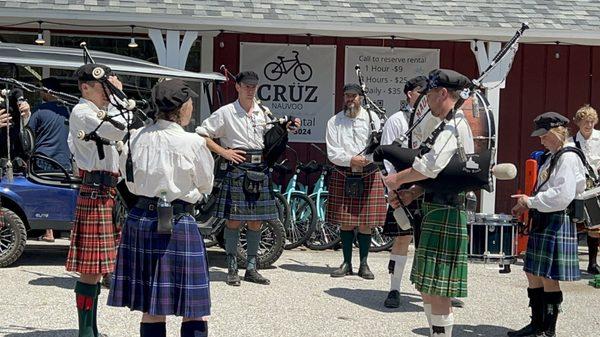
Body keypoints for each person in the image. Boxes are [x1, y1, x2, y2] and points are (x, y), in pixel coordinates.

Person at [108, 79, 213, 337]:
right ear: (182, 107)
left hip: (140, 219)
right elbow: (206, 184)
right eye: (190, 103)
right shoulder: (194, 142)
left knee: (151, 305)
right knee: (193, 307)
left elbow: (126, 177)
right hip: (178, 221)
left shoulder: (133, 137)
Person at [383, 69, 474, 337]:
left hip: (446, 210)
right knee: (427, 286)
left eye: (430, 95)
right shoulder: (445, 125)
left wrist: (397, 180)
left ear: (443, 93)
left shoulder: (453, 126)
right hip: (434, 206)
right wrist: (414, 193)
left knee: (439, 290)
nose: (427, 102)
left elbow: (431, 166)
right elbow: (440, 174)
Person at [196, 70, 299, 286]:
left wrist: (287, 126)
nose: (250, 90)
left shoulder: (263, 112)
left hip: (259, 168)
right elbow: (202, 134)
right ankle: (232, 269)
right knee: (233, 221)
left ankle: (251, 268)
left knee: (257, 221)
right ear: (238, 87)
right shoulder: (226, 113)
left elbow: (273, 132)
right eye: (246, 86)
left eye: (254, 86)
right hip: (238, 167)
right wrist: (224, 152)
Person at [65, 64, 130, 337]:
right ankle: (85, 331)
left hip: (108, 193)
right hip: (94, 192)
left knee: (101, 267)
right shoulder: (82, 112)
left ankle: (91, 326)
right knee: (91, 269)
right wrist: (118, 97)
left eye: (108, 87)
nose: (107, 92)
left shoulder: (96, 111)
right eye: (103, 88)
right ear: (85, 87)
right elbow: (118, 130)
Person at [510, 112, 586, 337]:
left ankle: (548, 330)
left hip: (556, 218)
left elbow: (562, 195)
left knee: (549, 278)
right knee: (533, 273)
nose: (541, 140)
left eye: (544, 136)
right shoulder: (554, 155)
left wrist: (531, 201)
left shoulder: (568, 157)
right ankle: (537, 324)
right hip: (545, 217)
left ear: (556, 132)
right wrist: (528, 203)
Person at [326, 83, 388, 279]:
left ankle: (364, 264)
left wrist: (367, 159)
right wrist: (350, 159)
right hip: (344, 173)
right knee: (345, 222)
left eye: (354, 95)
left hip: (368, 173)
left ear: (361, 97)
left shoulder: (372, 119)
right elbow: (332, 151)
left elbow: (379, 145)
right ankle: (346, 263)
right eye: (347, 95)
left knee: (365, 223)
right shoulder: (334, 121)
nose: (350, 99)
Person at [380, 75, 426, 308]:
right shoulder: (397, 120)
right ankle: (394, 289)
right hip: (403, 184)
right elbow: (386, 156)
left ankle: (433, 291)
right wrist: (393, 187)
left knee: (429, 240)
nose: (426, 95)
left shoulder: (434, 119)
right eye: (421, 91)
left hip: (429, 184)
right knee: (402, 238)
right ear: (410, 93)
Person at [28, 77, 72, 243]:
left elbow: (28, 134)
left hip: (43, 158)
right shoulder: (69, 110)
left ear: (48, 91)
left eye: (41, 89)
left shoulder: (39, 110)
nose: (39, 92)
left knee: (46, 193)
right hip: (64, 159)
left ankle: (49, 232)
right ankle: (69, 230)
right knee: (62, 194)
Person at [569, 105, 600, 275]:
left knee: (595, 226)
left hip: (597, 187)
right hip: (578, 187)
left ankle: (592, 263)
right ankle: (571, 261)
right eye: (585, 122)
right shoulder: (572, 142)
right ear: (578, 123)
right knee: (575, 223)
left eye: (591, 121)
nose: (588, 125)